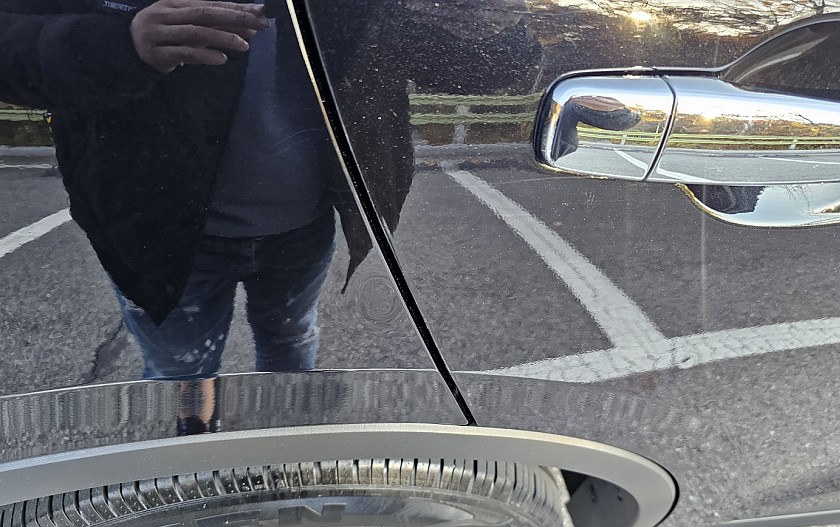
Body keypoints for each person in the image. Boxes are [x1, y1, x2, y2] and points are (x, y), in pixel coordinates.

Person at [0, 0, 540, 379]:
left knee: (288, 342)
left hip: (303, 224)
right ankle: (195, 459)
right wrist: (116, 44)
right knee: (181, 372)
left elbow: (479, 69)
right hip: (153, 230)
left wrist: (499, 28)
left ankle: (282, 457)